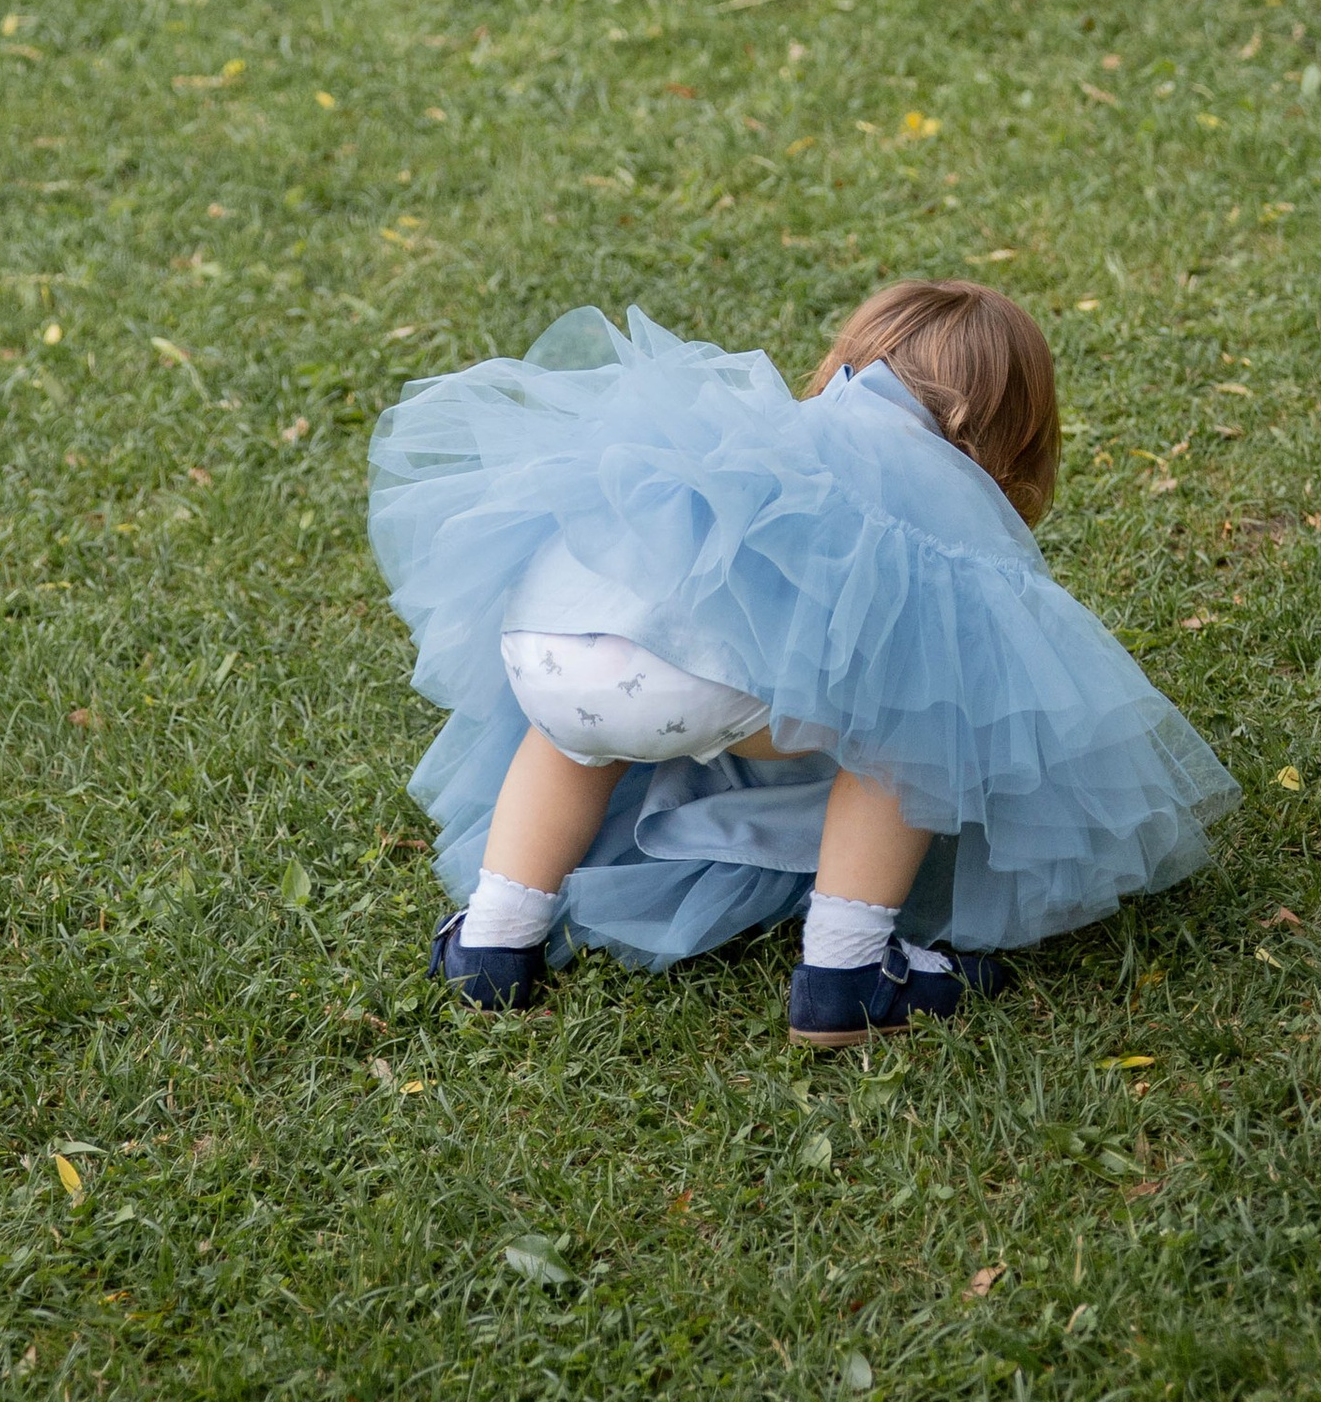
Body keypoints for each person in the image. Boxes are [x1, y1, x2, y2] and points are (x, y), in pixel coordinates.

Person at [367, 279, 1237, 1050]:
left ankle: (494, 939)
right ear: (987, 428)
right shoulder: (928, 477)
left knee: (576, 738)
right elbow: (956, 664)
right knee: (916, 719)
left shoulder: (783, 430)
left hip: (548, 644)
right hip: (694, 676)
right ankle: (847, 973)